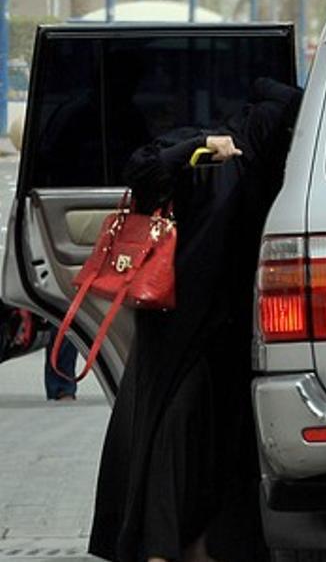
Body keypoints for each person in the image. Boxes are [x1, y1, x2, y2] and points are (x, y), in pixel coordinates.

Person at [89, 78, 303, 562]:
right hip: (180, 328)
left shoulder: (273, 173)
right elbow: (141, 172)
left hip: (227, 329)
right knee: (175, 429)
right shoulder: (211, 154)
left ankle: (199, 543)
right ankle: (158, 543)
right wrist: (199, 147)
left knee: (219, 438)